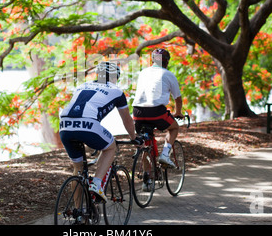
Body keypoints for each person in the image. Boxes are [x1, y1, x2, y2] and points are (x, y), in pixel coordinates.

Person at [59, 61, 137, 202]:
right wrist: (134, 138)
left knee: (78, 169)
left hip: (65, 125)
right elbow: (127, 120)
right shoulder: (117, 91)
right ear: (114, 78)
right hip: (87, 124)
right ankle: (97, 183)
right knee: (110, 146)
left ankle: (79, 214)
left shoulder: (82, 85)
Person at [132, 48, 184, 168]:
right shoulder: (168, 74)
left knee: (145, 145)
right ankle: (165, 154)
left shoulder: (143, 72)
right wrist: (178, 112)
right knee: (174, 127)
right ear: (167, 62)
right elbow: (178, 98)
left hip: (137, 112)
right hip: (155, 111)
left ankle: (147, 180)